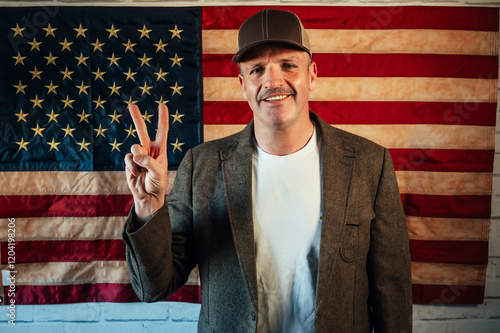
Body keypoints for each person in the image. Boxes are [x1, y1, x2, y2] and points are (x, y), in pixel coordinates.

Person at [122, 8, 412, 333]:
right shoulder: (199, 166)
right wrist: (149, 211)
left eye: (288, 65)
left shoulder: (370, 164)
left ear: (312, 75)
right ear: (243, 84)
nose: (272, 81)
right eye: (257, 70)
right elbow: (153, 287)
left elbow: (393, 294)